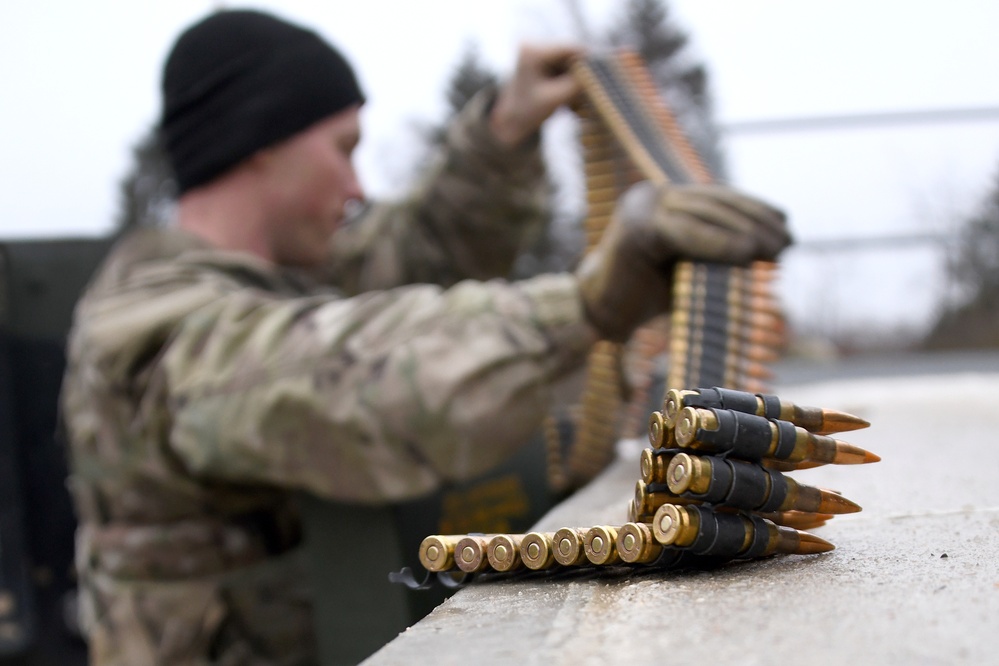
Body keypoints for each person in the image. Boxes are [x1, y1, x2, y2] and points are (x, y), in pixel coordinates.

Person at [60, 8, 791, 665]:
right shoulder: (152, 326)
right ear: (259, 142)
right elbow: (342, 380)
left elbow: (412, 256)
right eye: (343, 148)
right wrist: (586, 306)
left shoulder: (281, 277)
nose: (356, 186)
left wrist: (503, 131)